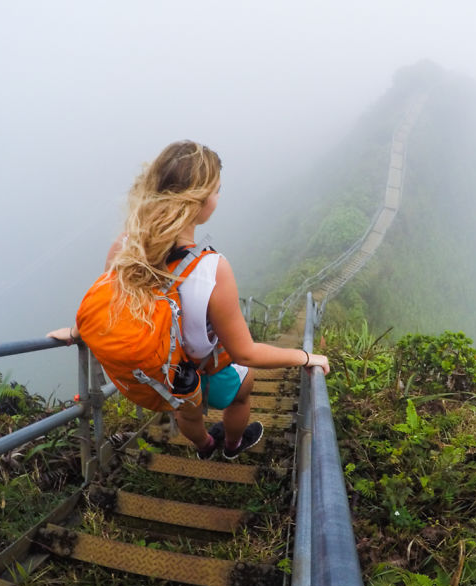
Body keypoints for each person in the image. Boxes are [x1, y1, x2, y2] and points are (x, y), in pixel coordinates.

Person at [48, 140, 329, 460]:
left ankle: (205, 446)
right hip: (210, 375)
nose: (219, 196)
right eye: (217, 190)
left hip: (165, 379)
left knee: (187, 410)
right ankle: (233, 446)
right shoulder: (212, 268)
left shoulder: (124, 249)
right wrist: (307, 358)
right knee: (243, 389)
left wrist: (76, 332)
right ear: (200, 201)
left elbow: (111, 305)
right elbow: (246, 353)